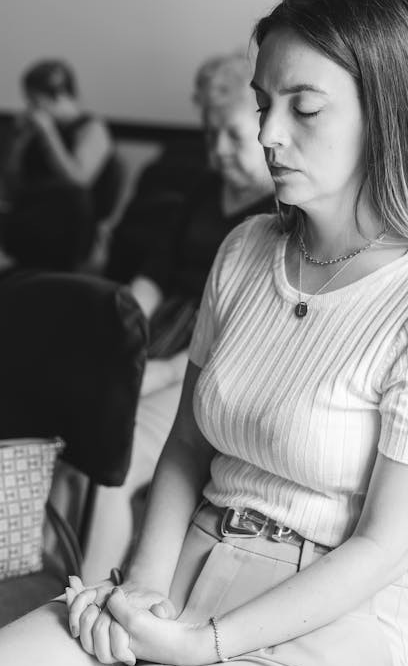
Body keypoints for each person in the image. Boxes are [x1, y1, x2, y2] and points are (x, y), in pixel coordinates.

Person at [0, 0, 408, 666]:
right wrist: (141, 587)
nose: (269, 134)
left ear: (384, 115)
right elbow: (188, 444)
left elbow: (385, 547)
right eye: (264, 104)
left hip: (319, 616)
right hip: (186, 562)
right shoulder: (245, 248)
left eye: (305, 108)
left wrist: (203, 645)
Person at [80, 52, 274, 582]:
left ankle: (90, 598)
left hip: (215, 356)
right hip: (162, 332)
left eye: (232, 136)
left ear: (266, 121)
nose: (218, 152)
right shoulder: (205, 189)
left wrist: (161, 372)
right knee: (72, 420)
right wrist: (115, 334)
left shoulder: (285, 212)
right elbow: (153, 275)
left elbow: (252, 329)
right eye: (209, 136)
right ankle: (59, 573)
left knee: (110, 457)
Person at [0, 59, 121, 270]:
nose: (32, 108)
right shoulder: (33, 132)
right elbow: (13, 188)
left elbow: (78, 181)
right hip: (29, 216)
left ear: (60, 96)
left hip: (71, 227)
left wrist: (49, 134)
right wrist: (19, 142)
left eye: (36, 101)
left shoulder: (92, 128)